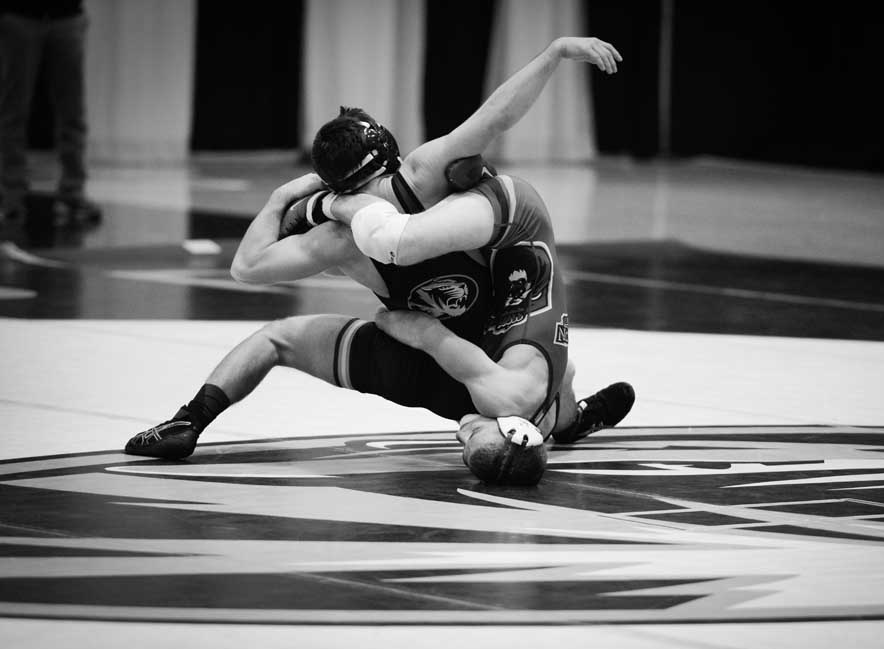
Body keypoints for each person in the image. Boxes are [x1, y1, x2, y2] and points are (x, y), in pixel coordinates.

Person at [125, 37, 632, 483]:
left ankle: (190, 419)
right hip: (482, 348)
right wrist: (553, 55)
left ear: (331, 183)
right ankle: (563, 421)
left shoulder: (335, 240)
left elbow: (246, 267)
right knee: (543, 381)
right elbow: (496, 116)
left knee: (275, 338)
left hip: (424, 353)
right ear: (387, 150)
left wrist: (285, 197)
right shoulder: (422, 175)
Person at [0, 0, 102, 242]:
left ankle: (73, 191)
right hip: (20, 16)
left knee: (72, 111)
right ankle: (11, 192)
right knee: (13, 110)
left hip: (67, 15)